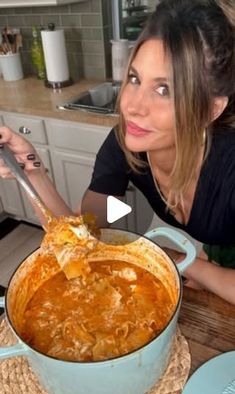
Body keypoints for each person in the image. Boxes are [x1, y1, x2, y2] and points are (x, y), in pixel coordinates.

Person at [0, 0, 235, 304]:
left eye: (164, 89)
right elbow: (83, 235)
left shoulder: (229, 168)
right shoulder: (126, 147)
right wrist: (33, 171)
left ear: (210, 109)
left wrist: (186, 263)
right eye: (135, 79)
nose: (132, 107)